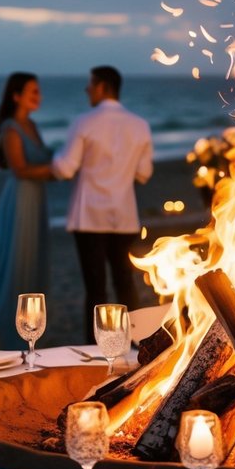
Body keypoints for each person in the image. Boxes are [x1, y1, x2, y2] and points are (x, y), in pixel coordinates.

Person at [52, 65, 153, 336]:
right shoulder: (140, 125)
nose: (87, 89)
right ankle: (134, 341)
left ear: (102, 87)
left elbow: (65, 168)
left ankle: (94, 347)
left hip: (89, 216)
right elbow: (144, 173)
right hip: (123, 215)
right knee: (124, 281)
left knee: (95, 287)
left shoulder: (83, 122)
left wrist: (49, 160)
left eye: (91, 84)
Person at [0, 73, 54, 348]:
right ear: (16, 95)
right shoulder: (11, 128)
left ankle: (32, 328)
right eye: (32, 92)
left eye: (39, 91)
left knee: (35, 258)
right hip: (21, 198)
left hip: (37, 197)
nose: (38, 96)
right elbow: (20, 169)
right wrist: (55, 169)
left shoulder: (33, 125)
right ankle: (8, 331)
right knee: (16, 260)